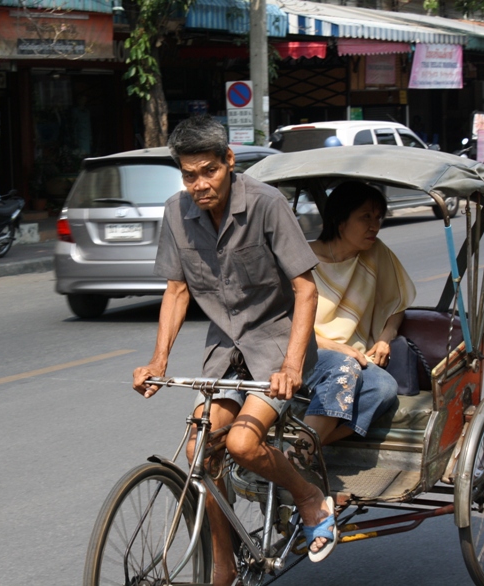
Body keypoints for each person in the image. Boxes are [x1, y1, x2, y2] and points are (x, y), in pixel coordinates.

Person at [132, 115, 335, 585]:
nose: (199, 184)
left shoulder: (267, 204)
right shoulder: (175, 214)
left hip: (279, 345)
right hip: (226, 348)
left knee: (242, 443)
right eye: (189, 175)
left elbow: (306, 290)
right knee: (200, 451)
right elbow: (177, 290)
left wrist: (290, 366)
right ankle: (223, 565)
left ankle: (308, 497)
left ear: (229, 161)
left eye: (209, 171)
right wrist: (158, 360)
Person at [300, 181, 415, 450]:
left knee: (384, 388)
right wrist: (334, 347)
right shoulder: (303, 258)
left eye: (378, 217)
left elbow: (396, 304)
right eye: (365, 217)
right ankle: (302, 455)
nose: (374, 225)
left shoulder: (376, 253)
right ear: (340, 220)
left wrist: (386, 338)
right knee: (345, 368)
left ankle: (308, 449)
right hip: (308, 351)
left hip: (355, 356)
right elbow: (282, 323)